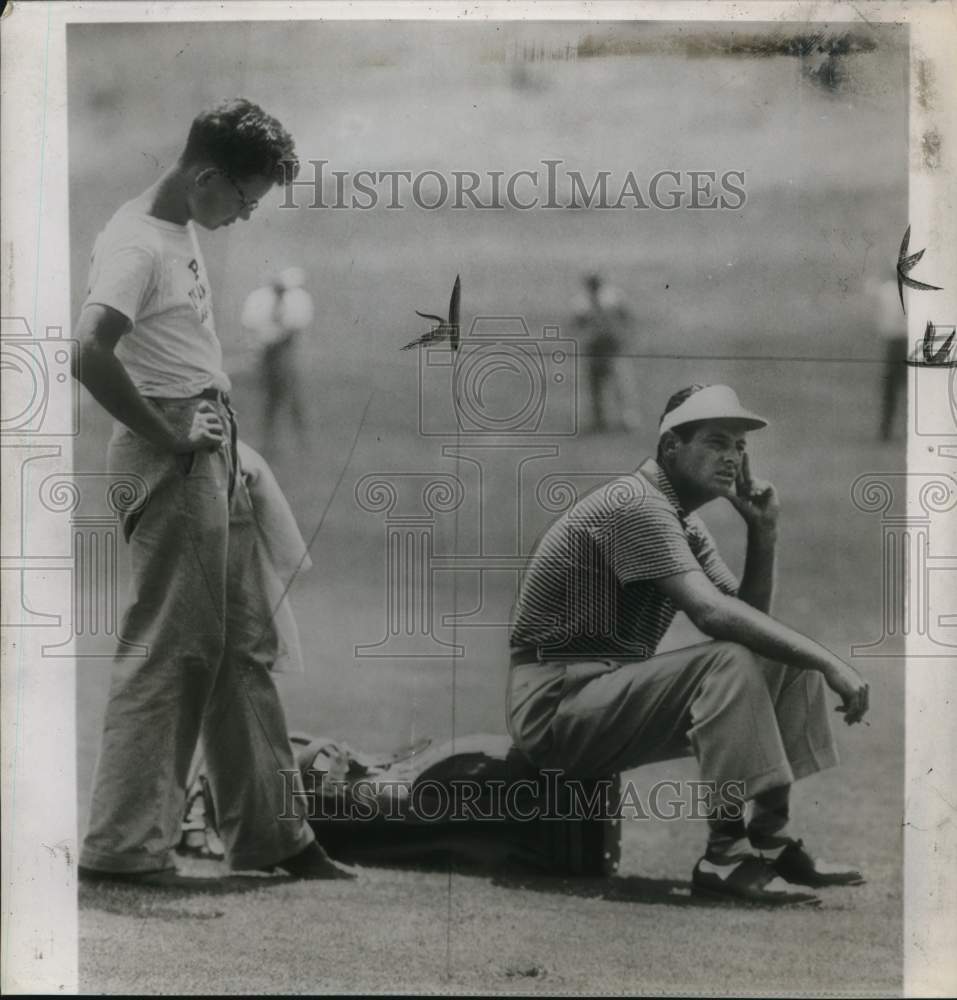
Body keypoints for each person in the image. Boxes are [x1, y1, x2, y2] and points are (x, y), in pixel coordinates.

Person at [72, 98, 351, 885]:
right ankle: (123, 850)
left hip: (211, 448)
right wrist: (168, 436)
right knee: (173, 649)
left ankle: (273, 836)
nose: (245, 217)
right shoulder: (136, 243)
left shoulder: (177, 226)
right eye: (244, 199)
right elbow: (88, 352)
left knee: (239, 644)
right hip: (172, 456)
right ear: (205, 177)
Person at [506, 383, 870, 905]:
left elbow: (749, 627)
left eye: (740, 447)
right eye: (717, 441)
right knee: (738, 657)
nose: (733, 457)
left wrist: (763, 536)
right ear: (670, 446)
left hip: (600, 697)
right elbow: (713, 615)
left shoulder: (682, 522)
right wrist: (831, 661)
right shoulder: (635, 504)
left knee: (781, 657)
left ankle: (769, 840)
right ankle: (725, 856)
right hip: (553, 707)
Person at [241, 267, 314, 457]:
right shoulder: (261, 300)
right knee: (271, 396)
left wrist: (276, 337)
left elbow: (294, 328)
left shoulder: (296, 300)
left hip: (283, 349)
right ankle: (269, 442)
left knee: (289, 393)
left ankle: (301, 439)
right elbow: (253, 326)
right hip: (267, 351)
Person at [571, 272, 640, 433]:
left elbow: (627, 317)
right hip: (595, 348)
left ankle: (627, 419)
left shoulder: (613, 298)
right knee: (596, 385)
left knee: (621, 384)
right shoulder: (581, 303)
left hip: (612, 346)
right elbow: (577, 324)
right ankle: (599, 419)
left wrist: (624, 335)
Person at [867, 277, 908, 442]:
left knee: (891, 389)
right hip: (905, 342)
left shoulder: (887, 290)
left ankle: (886, 430)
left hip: (896, 343)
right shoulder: (908, 291)